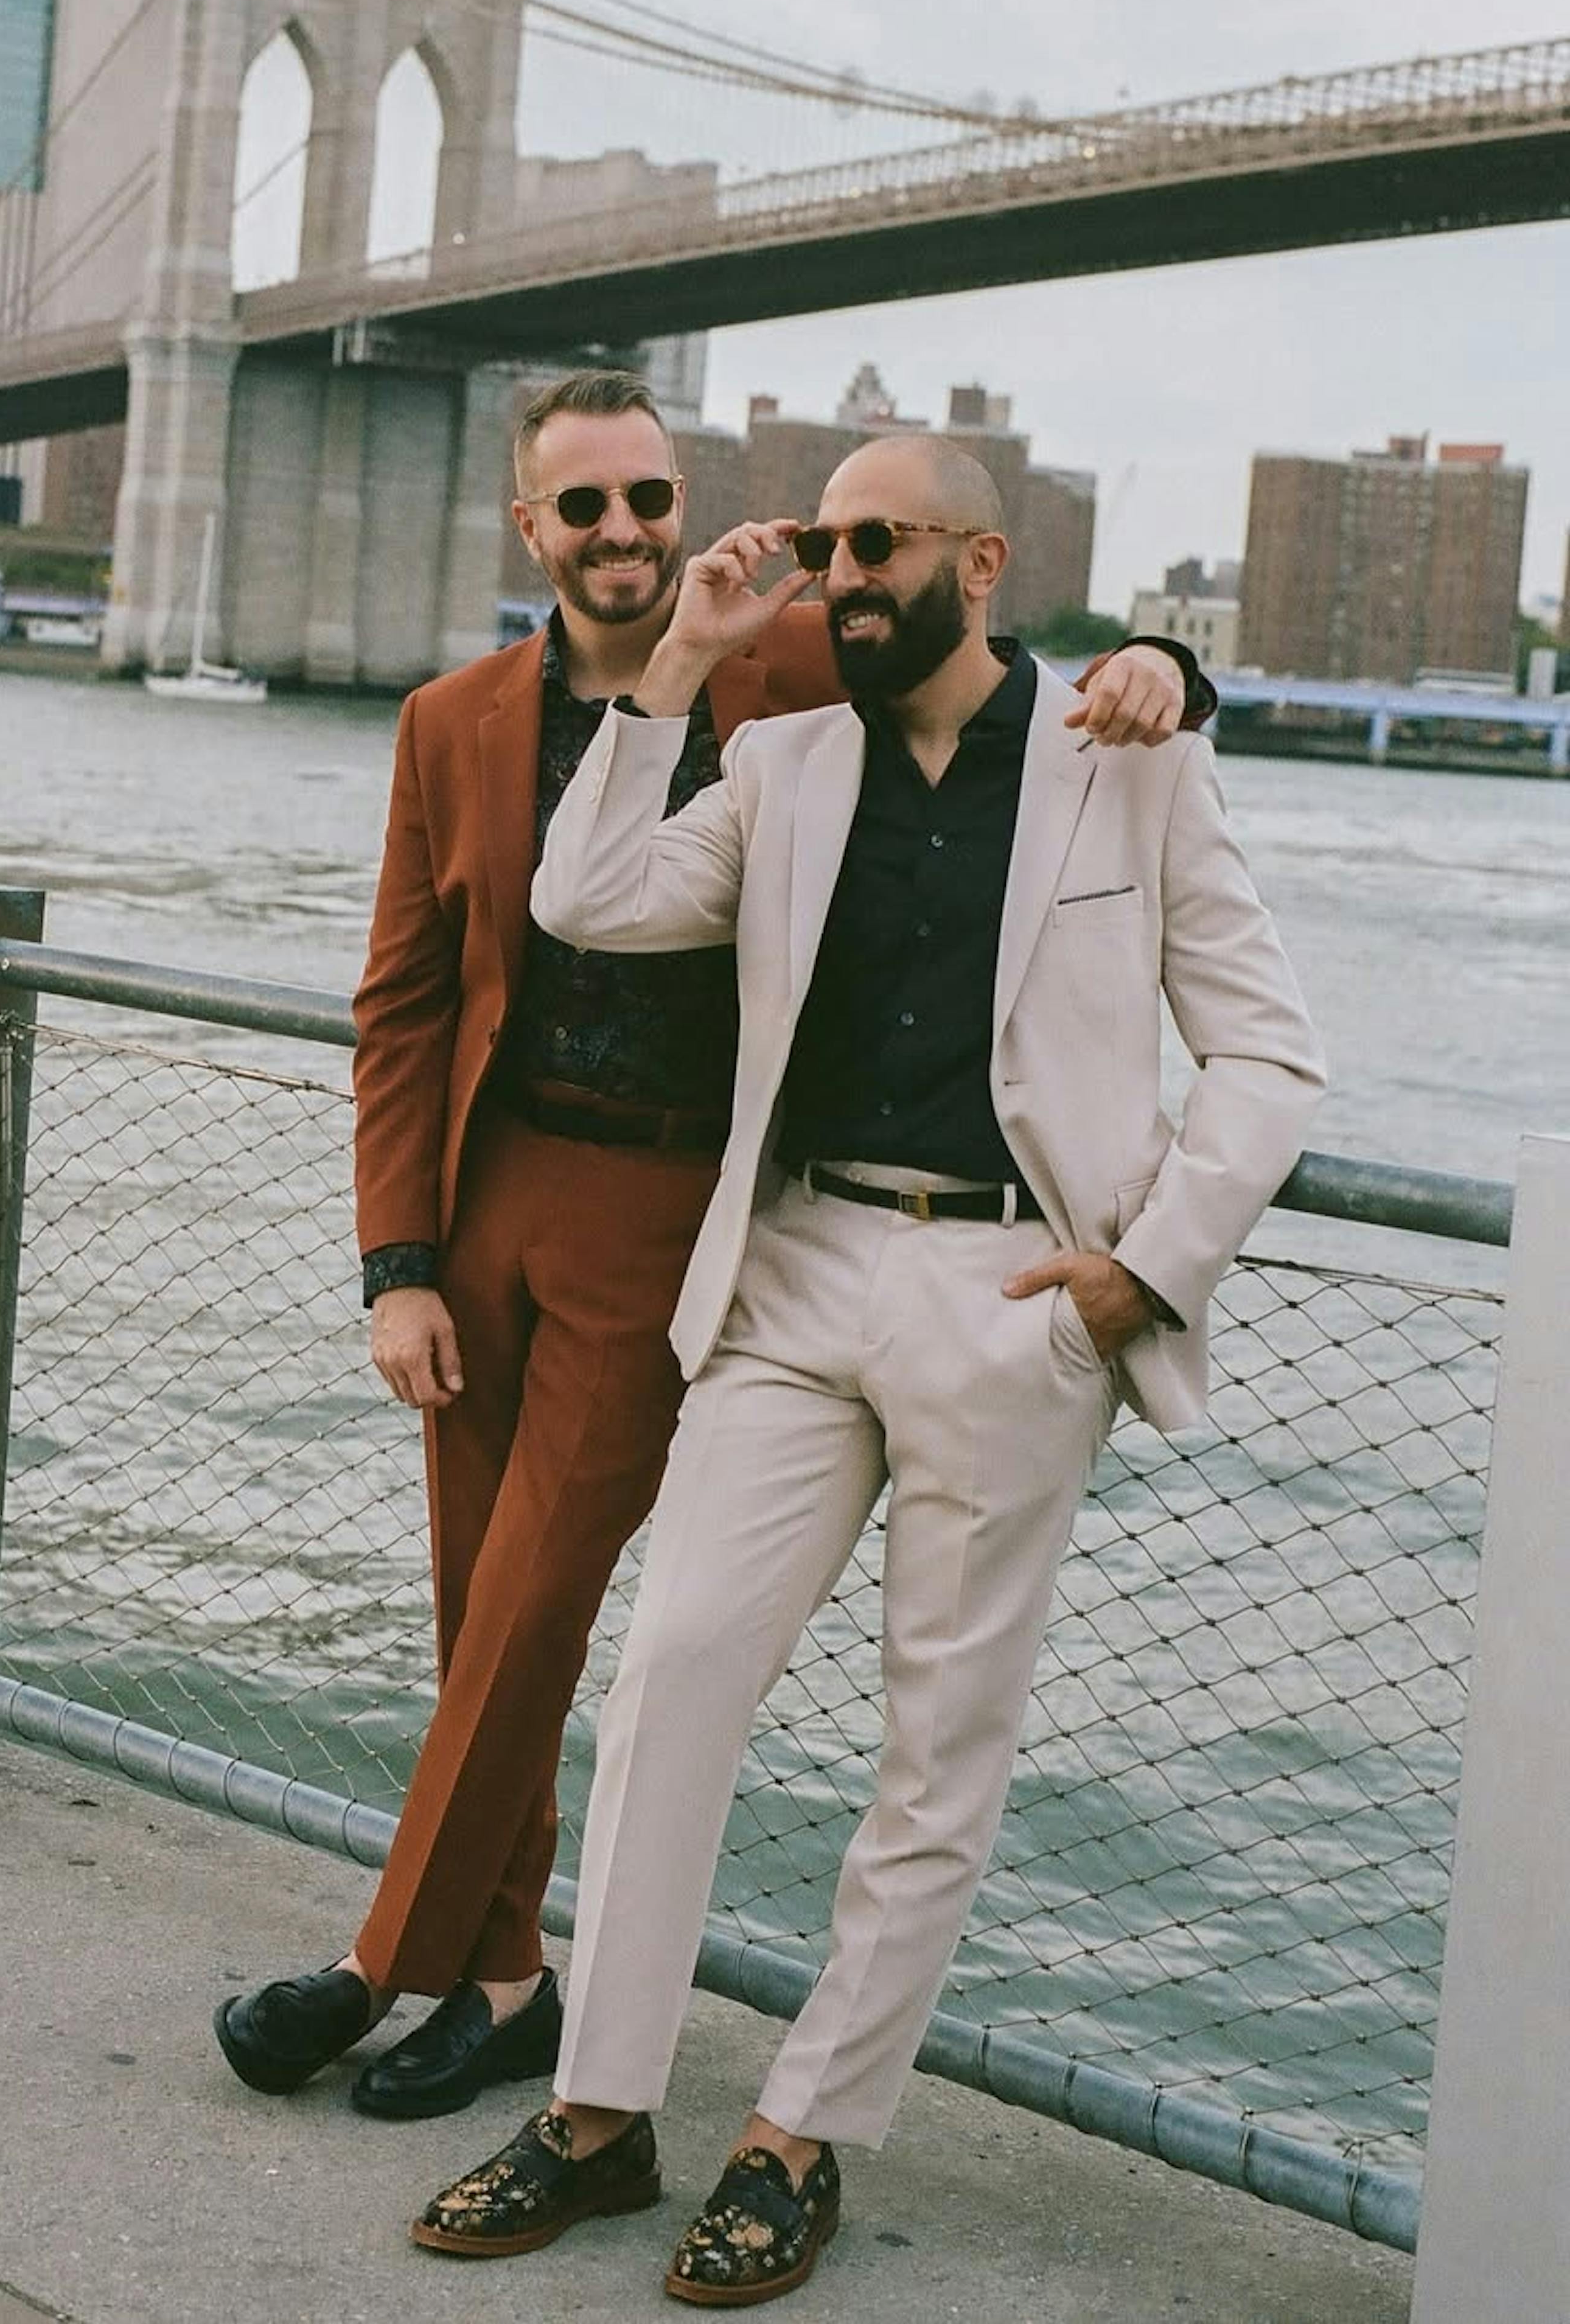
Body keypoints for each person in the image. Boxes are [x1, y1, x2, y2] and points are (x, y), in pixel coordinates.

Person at [213, 375, 1206, 2128]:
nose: (625, 532)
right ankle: (505, 1981)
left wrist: (1175, 666)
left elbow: (1005, 691)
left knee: (541, 1601)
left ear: (683, 505)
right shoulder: (448, 720)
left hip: (677, 1201)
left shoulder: (797, 659)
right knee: (477, 1608)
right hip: (492, 1194)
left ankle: (382, 1963)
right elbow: (405, 1006)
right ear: (532, 527)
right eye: (585, 505)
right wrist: (398, 1261)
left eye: (650, 498)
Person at [410, 430, 1323, 2305]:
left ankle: (800, 2132)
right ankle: (598, 2110)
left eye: (876, 543)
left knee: (936, 1749)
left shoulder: (1133, 760)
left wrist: (1142, 1272)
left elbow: (1269, 1052)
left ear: (979, 561)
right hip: (798, 1271)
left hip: (1014, 1291)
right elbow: (587, 897)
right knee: (669, 1671)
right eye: (824, 547)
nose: (839, 576)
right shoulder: (780, 762)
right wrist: (681, 662)